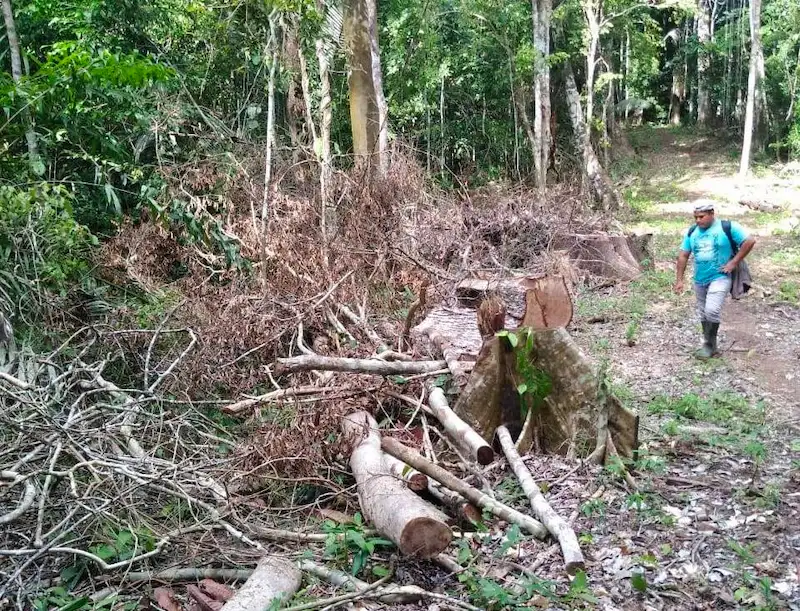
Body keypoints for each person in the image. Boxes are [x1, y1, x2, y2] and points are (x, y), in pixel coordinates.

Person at [674, 203, 756, 358]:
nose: (698, 220)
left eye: (701, 217)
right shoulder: (692, 232)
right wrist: (679, 280)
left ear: (712, 213)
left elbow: (749, 241)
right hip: (699, 279)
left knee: (712, 310)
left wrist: (733, 262)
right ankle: (711, 345)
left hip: (720, 277)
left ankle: (708, 345)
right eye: (695, 217)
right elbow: (683, 255)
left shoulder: (727, 227)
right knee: (703, 313)